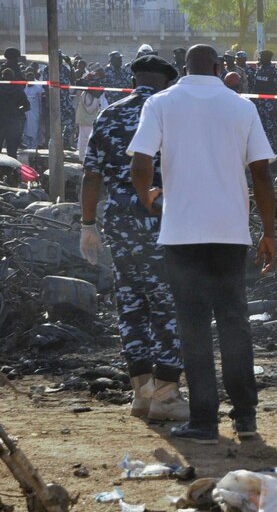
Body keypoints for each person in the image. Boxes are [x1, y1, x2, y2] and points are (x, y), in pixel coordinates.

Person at [128, 44, 277, 444]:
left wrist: (151, 199)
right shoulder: (241, 107)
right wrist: (268, 231)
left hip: (181, 235)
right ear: (218, 67)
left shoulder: (160, 103)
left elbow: (140, 165)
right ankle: (245, 418)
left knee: (193, 328)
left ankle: (205, 421)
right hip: (230, 235)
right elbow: (261, 174)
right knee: (234, 324)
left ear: (182, 69)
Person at [80, 55, 189, 422]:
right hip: (161, 218)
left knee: (130, 304)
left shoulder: (108, 115)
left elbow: (91, 175)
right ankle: (167, 395)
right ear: (166, 82)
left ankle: (141, 392)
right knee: (167, 305)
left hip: (119, 223)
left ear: (135, 78)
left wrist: (87, 224)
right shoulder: (170, 112)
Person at [252, 49, 277, 147]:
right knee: (258, 127)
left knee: (271, 128)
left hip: (270, 105)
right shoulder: (259, 69)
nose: (260, 59)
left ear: (267, 58)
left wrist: (276, 105)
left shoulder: (275, 71)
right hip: (258, 104)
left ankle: (271, 148)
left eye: (261, 57)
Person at [0, 68, 29, 159]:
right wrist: (17, 110)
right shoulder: (18, 89)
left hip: (1, 121)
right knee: (12, 152)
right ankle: (13, 172)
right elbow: (27, 106)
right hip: (13, 122)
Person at [74, 87, 101, 162]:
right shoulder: (86, 95)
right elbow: (90, 109)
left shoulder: (86, 94)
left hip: (87, 121)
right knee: (85, 141)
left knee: (86, 140)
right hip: (87, 122)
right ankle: (83, 158)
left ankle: (84, 158)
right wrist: (97, 98)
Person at [22, 72, 43, 149]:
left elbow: (41, 101)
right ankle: (28, 149)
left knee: (34, 132)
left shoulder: (38, 89)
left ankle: (33, 150)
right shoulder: (24, 88)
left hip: (35, 113)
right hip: (26, 113)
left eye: (31, 78)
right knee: (26, 132)